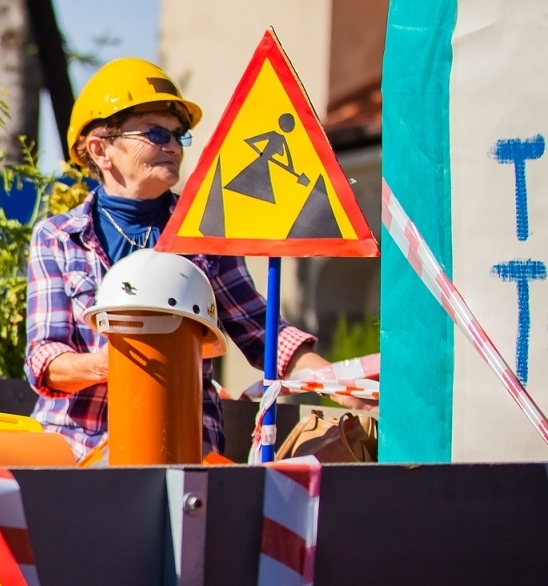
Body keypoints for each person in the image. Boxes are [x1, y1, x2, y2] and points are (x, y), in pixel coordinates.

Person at [25, 57, 357, 459]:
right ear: (100, 149)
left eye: (178, 136)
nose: (171, 146)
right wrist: (132, 365)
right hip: (81, 449)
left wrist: (342, 385)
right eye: (154, 133)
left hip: (184, 447)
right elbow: (45, 361)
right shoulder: (58, 238)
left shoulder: (203, 236)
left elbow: (262, 334)